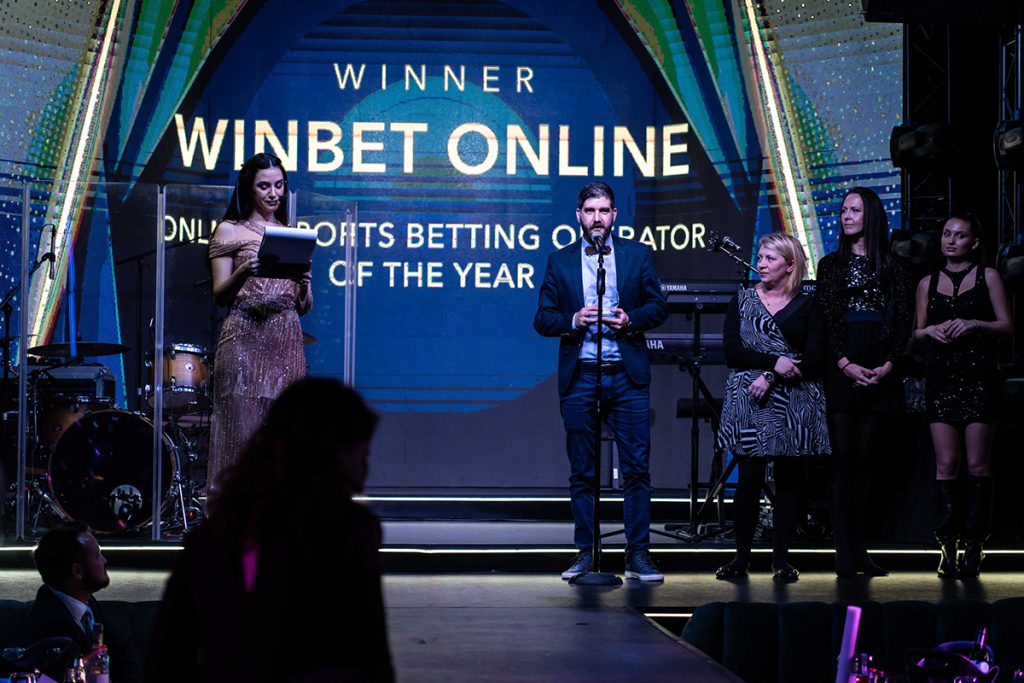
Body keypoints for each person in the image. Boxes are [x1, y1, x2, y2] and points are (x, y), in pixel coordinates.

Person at [146, 377, 393, 682]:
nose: (364, 470)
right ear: (333, 455)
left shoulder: (212, 537)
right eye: (361, 455)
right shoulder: (352, 531)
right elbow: (372, 657)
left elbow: (166, 658)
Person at [534, 182, 669, 582]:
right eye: (590, 211)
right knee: (583, 471)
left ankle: (638, 555)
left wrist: (631, 319)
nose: (597, 218)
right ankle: (586, 553)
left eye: (604, 210)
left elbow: (658, 306)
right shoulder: (559, 261)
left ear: (614, 216)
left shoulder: (636, 255)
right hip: (581, 375)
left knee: (636, 469)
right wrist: (573, 320)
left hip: (626, 375)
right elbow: (542, 318)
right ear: (578, 215)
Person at [714, 233, 830, 583]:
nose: (761, 264)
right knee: (749, 478)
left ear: (790, 266)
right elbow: (732, 351)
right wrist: (772, 362)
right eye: (761, 257)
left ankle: (781, 559)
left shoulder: (810, 304)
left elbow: (815, 355)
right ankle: (741, 559)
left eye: (770, 258)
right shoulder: (743, 300)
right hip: (751, 399)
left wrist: (773, 375)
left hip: (793, 398)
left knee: (789, 480)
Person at [816, 186, 913, 578]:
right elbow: (827, 318)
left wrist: (888, 364)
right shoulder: (830, 265)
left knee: (866, 461)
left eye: (854, 210)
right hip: (843, 366)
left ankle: (861, 549)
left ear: (870, 215)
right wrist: (844, 363)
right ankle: (842, 548)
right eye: (843, 210)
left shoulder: (895, 265)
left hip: (880, 364)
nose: (846, 216)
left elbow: (903, 318)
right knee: (842, 462)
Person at [913, 214, 1012, 579]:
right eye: (946, 234)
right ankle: (947, 544)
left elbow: (1007, 325)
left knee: (977, 464)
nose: (950, 240)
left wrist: (974, 324)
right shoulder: (927, 282)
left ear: (974, 242)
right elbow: (916, 333)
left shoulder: (989, 277)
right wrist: (930, 331)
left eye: (959, 235)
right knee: (947, 463)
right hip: (941, 377)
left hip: (978, 376)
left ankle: (975, 544)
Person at [207, 152, 312, 491]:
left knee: (284, 437)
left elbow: (303, 306)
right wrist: (243, 272)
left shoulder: (291, 234)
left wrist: (304, 285)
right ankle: (236, 514)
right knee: (241, 436)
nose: (274, 193)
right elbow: (220, 294)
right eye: (264, 186)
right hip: (244, 336)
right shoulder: (229, 230)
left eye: (279, 185)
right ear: (248, 189)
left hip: (285, 338)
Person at [22, 522, 142, 682]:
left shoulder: (87, 604)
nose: (105, 561)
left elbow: (124, 651)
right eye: (98, 555)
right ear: (77, 571)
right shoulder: (46, 625)